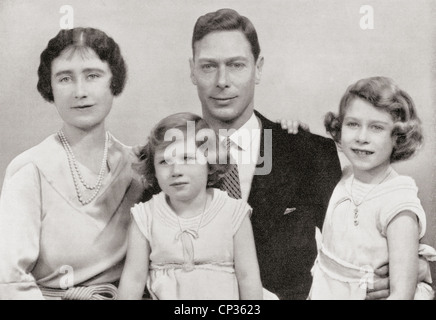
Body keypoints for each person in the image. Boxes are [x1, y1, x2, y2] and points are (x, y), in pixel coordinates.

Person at [187, 8, 343, 300]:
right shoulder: (166, 156)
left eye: (236, 65)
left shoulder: (309, 153)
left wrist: (419, 267)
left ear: (258, 68)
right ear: (192, 70)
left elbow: (353, 249)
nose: (222, 81)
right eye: (209, 66)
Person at [0, 27, 143, 300]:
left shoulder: (138, 168)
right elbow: (10, 280)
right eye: (65, 78)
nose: (80, 91)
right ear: (49, 87)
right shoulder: (29, 170)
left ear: (114, 82)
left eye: (92, 76)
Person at [309, 76, 436, 299]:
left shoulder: (398, 205)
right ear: (339, 129)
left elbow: (401, 294)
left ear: (398, 138)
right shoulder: (345, 176)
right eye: (353, 124)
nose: (361, 137)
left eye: (376, 128)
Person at [118, 112, 265, 300]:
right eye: (164, 162)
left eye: (187, 158)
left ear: (209, 162)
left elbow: (248, 278)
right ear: (153, 169)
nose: (176, 171)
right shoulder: (145, 216)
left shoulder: (233, 213)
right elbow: (134, 279)